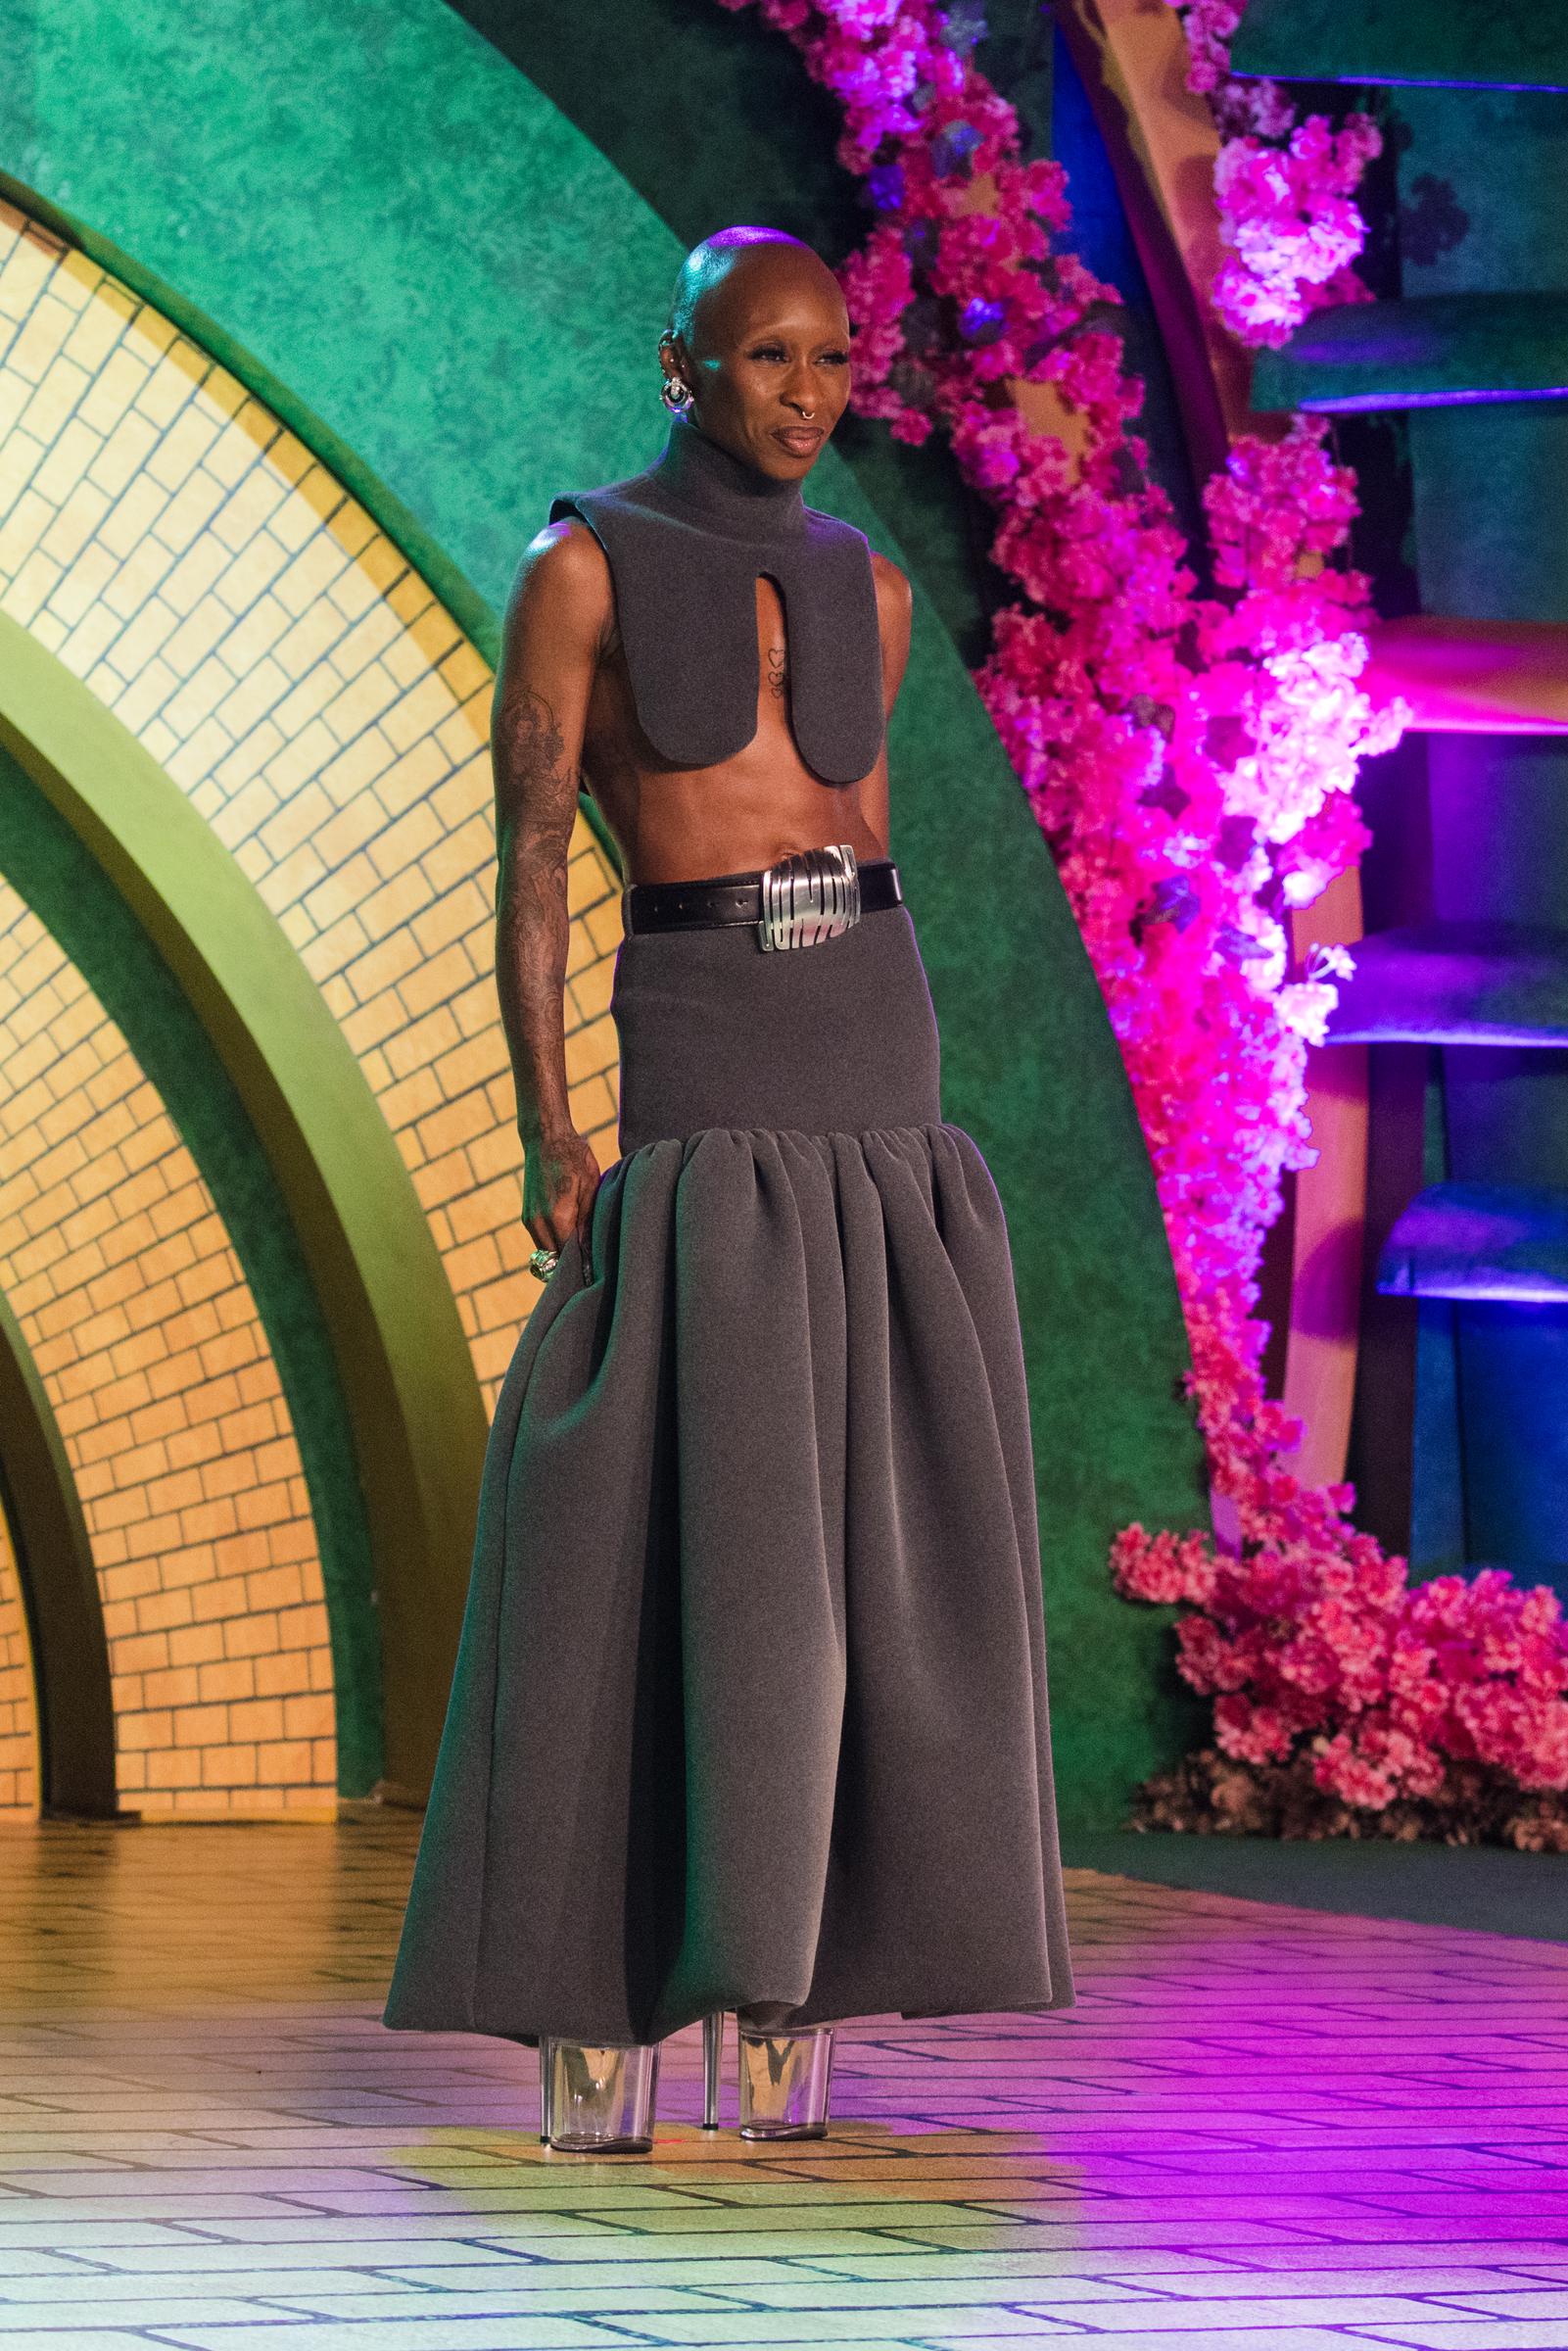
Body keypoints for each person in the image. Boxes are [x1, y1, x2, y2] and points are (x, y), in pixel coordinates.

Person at [382, 225, 1075, 2152]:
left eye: (835, 361)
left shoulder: (866, 588)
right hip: (697, 1032)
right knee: (666, 1519)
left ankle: (792, 1997)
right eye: (768, 358)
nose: (808, 392)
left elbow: (863, 838)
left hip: (874, 1039)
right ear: (682, 365)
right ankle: (592, 1997)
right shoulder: (580, 563)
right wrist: (548, 1123)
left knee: (863, 1546)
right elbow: (534, 855)